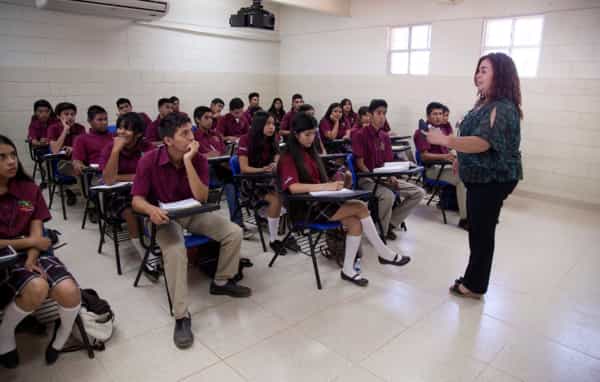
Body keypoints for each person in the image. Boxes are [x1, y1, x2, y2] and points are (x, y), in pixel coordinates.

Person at [132, 112, 251, 349]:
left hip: (191, 212)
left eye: (191, 131)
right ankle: (181, 316)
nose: (191, 137)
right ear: (168, 141)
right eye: (184, 133)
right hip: (162, 216)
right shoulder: (148, 160)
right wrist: (150, 209)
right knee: (175, 250)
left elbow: (201, 196)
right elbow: (136, 200)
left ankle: (221, 282)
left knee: (233, 231)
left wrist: (188, 161)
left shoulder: (197, 158)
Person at [424, 52, 523, 298]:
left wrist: (446, 140)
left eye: (485, 70)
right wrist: (460, 158)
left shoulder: (501, 107)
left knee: (481, 233)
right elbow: (475, 142)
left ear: (500, 75)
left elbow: (482, 142)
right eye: (478, 69)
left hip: (492, 180)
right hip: (481, 177)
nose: (478, 75)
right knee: (479, 231)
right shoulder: (486, 103)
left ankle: (475, 285)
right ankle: (473, 280)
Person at [278, 113, 410, 287]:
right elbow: (293, 188)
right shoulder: (288, 156)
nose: (311, 138)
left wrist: (338, 182)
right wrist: (326, 187)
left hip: (319, 202)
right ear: (296, 134)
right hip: (304, 208)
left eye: (313, 134)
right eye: (307, 134)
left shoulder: (310, 152)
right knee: (360, 207)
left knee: (355, 223)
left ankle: (348, 270)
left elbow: (319, 180)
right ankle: (383, 252)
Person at [0, 135, 81, 368]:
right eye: (2, 157)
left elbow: (38, 231)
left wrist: (32, 256)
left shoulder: (28, 188)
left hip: (32, 252)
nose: (11, 161)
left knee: (70, 292)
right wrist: (29, 243)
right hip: (4, 260)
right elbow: (35, 239)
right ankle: (5, 336)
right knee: (37, 287)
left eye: (13, 155)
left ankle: (60, 339)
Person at [353, 99, 425, 241]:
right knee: (388, 196)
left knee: (418, 192)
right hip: (366, 178)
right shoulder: (359, 135)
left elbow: (388, 162)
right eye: (378, 113)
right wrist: (377, 179)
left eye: (384, 113)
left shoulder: (384, 136)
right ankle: (381, 232)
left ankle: (390, 223)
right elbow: (360, 163)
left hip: (384, 176)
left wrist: (391, 177)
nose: (382, 117)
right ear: (370, 114)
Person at [99, 112, 159, 280]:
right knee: (130, 213)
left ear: (139, 133)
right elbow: (109, 180)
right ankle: (146, 255)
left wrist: (125, 176)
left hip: (145, 190)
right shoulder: (110, 148)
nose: (121, 132)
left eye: (127, 129)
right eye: (120, 127)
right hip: (117, 195)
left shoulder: (148, 148)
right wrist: (116, 151)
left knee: (160, 205)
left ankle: (158, 243)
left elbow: (154, 175)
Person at [193, 106, 250, 239]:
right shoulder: (194, 137)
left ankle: (238, 223)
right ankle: (249, 201)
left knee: (232, 181)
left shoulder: (216, 134)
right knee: (232, 180)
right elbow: (193, 157)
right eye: (206, 118)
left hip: (221, 168)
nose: (210, 121)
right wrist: (206, 155)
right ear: (197, 119)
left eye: (211, 118)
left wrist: (226, 154)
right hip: (205, 173)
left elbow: (224, 152)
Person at [237, 111, 287, 253]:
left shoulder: (272, 139)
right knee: (276, 199)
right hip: (251, 183)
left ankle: (280, 223)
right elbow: (244, 168)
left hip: (267, 179)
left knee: (288, 190)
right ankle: (273, 239)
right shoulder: (245, 140)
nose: (272, 127)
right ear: (259, 125)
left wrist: (275, 163)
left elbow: (277, 153)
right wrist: (262, 169)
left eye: (273, 124)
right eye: (268, 124)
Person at [413, 102, 468, 228]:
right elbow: (424, 156)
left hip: (444, 166)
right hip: (432, 170)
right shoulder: (422, 132)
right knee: (462, 178)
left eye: (440, 114)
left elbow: (448, 150)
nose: (438, 117)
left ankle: (474, 212)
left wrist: (453, 155)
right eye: (434, 114)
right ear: (428, 116)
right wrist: (445, 157)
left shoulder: (441, 130)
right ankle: (465, 219)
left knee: (471, 172)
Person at [72, 105, 113, 176]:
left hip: (118, 171)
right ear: (89, 121)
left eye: (106, 119)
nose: (104, 122)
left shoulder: (114, 136)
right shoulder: (81, 139)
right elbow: (77, 160)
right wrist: (78, 164)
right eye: (100, 120)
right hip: (97, 174)